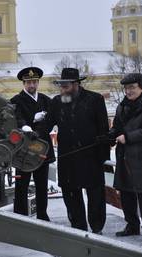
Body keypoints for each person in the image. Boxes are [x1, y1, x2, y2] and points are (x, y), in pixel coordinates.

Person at [47, 68, 110, 233]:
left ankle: (97, 227)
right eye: (61, 85)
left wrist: (102, 156)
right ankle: (78, 227)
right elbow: (46, 125)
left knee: (95, 194)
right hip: (68, 157)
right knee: (71, 194)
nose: (63, 89)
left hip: (91, 155)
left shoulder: (94, 100)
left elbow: (104, 129)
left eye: (66, 85)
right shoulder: (57, 102)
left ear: (76, 84)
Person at [10, 67, 55, 221]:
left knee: (42, 184)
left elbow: (51, 120)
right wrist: (28, 126)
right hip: (24, 149)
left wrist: (40, 129)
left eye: (34, 82)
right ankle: (20, 216)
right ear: (23, 83)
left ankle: (43, 215)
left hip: (42, 147)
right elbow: (16, 119)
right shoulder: (16, 100)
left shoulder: (45, 100)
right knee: (21, 185)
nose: (32, 85)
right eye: (28, 82)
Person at [109, 73, 142, 237]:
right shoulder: (122, 106)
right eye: (126, 88)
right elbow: (117, 127)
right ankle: (132, 225)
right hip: (125, 157)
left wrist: (128, 137)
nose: (128, 91)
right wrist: (111, 135)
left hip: (140, 158)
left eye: (132, 87)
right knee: (127, 193)